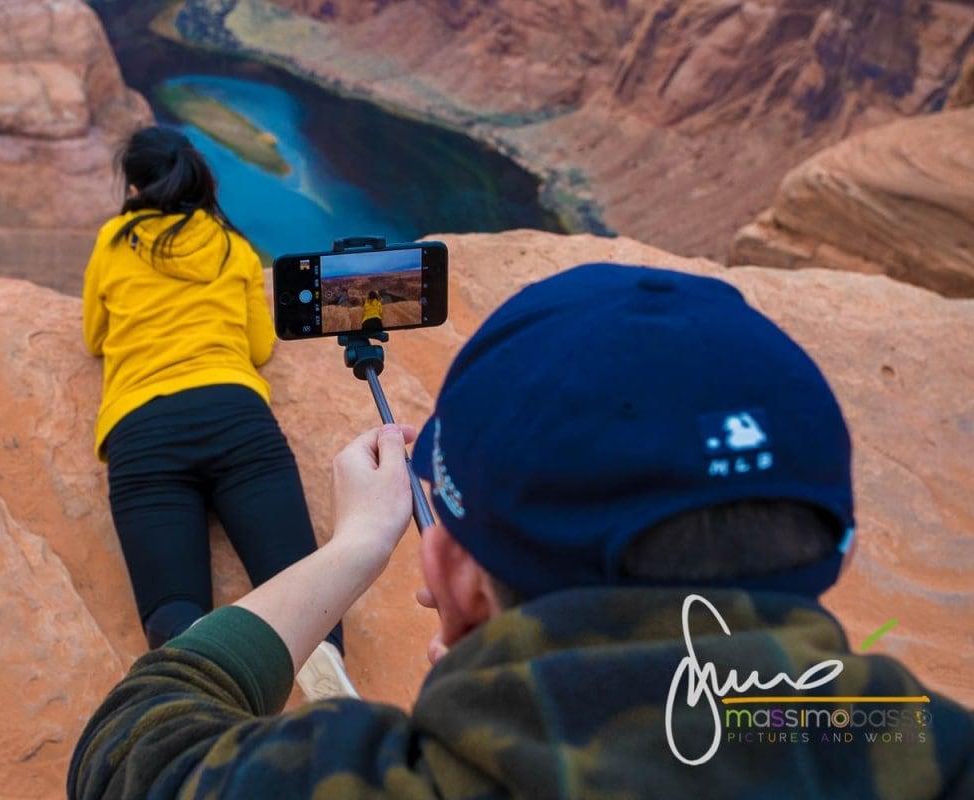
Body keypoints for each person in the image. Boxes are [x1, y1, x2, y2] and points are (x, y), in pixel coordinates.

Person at [69, 263, 973, 799]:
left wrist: (353, 547)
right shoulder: (938, 754)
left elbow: (136, 742)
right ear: (832, 548)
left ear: (454, 580)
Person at [81, 125, 354, 700]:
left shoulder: (114, 240)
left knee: (172, 607)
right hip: (237, 421)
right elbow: (258, 347)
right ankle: (322, 657)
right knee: (299, 578)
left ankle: (200, 673)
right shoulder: (232, 245)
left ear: (134, 186)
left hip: (144, 433)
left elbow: (94, 336)